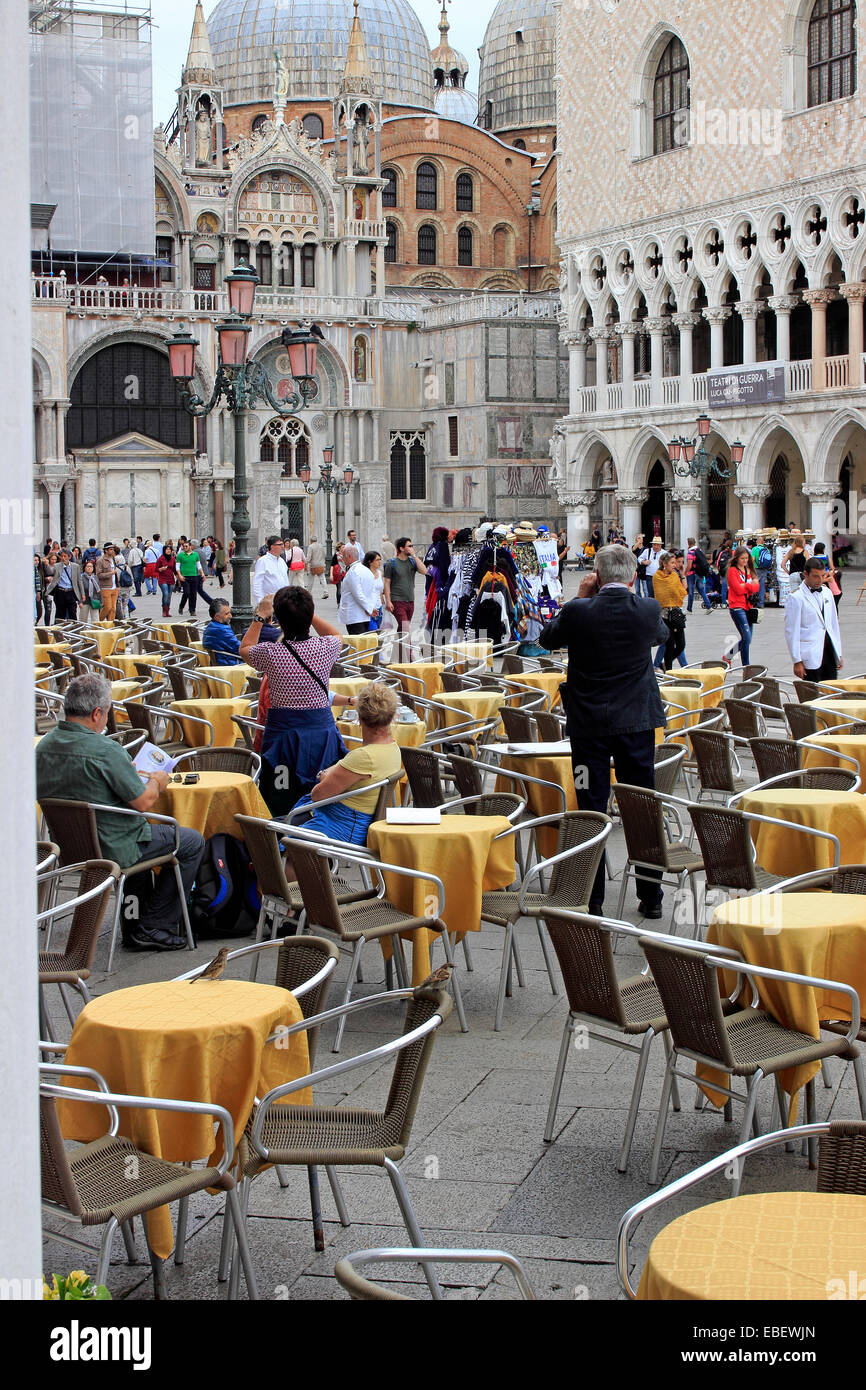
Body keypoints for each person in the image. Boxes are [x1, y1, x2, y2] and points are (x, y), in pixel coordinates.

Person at [540, 545, 668, 918]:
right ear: (632, 576)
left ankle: (592, 896)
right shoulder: (646, 608)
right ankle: (652, 896)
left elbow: (548, 638)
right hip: (637, 725)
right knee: (641, 805)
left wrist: (580, 598)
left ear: (595, 574)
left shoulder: (579, 611)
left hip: (589, 727)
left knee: (590, 806)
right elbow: (659, 635)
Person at [36, 675, 205, 951]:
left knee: (142, 838)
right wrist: (157, 781)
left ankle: (137, 924)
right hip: (113, 845)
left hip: (67, 848)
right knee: (190, 841)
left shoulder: (43, 747)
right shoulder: (105, 751)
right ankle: (155, 923)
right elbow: (143, 802)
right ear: (97, 713)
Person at [240, 587, 346, 816]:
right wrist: (307, 613)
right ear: (309, 616)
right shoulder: (326, 647)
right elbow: (336, 634)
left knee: (281, 795)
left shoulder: (271, 653)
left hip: (283, 737)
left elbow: (245, 648)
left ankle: (282, 840)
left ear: (278, 619)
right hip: (321, 735)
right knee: (322, 792)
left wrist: (261, 616)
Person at [290, 684, 402, 846]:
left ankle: (293, 868)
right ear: (392, 717)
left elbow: (317, 796)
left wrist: (324, 775)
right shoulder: (393, 748)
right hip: (361, 823)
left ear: (359, 718)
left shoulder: (363, 757)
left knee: (272, 839)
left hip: (343, 826)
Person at [785, 556, 843, 683]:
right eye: (816, 576)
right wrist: (797, 660)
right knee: (812, 695)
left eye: (822, 575)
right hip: (809, 654)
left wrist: (838, 651)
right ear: (806, 574)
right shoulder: (796, 597)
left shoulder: (827, 592)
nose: (820, 580)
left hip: (828, 651)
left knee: (831, 693)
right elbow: (791, 631)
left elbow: (833, 624)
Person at [382, 536, 429, 654]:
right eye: (409, 546)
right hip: (397, 600)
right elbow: (387, 583)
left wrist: (414, 555)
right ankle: (409, 655)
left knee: (402, 629)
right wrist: (388, 600)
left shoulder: (412, 562)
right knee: (406, 628)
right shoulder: (391, 563)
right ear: (401, 548)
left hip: (410, 601)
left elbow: (425, 571)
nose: (412, 548)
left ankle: (397, 654)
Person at [652, 550, 688, 670]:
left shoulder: (674, 576)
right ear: (665, 564)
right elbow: (660, 595)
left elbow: (683, 590)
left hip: (676, 613)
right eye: (672, 563)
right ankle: (669, 670)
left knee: (681, 645)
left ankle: (664, 665)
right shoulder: (657, 577)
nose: (674, 565)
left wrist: (682, 574)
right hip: (665, 615)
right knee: (669, 644)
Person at [726, 545, 760, 669]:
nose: (745, 561)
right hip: (736, 606)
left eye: (746, 558)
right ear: (736, 559)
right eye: (742, 558)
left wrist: (745, 585)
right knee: (746, 636)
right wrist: (749, 585)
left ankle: (729, 657)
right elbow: (737, 589)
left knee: (748, 639)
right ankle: (746, 665)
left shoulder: (749, 570)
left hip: (748, 606)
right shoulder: (732, 571)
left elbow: (757, 587)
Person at [339, 551, 382, 633]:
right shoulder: (366, 570)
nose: (342, 558)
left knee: (358, 641)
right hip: (364, 615)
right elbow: (371, 592)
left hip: (355, 616)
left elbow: (358, 594)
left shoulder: (353, 571)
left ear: (349, 556)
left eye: (343, 556)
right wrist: (370, 607)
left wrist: (369, 608)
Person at [46, 549, 84, 621]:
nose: (63, 558)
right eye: (62, 556)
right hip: (60, 591)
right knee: (60, 614)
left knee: (72, 612)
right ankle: (59, 629)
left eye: (65, 556)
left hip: (71, 591)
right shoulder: (57, 566)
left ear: (69, 557)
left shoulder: (75, 566)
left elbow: (79, 581)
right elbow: (50, 572)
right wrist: (46, 563)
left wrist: (82, 593)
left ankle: (73, 629)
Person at [203, 598, 244, 664]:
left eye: (230, 612)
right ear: (217, 616)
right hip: (231, 665)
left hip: (223, 662)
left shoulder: (211, 626)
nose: (230, 616)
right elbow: (241, 650)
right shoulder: (222, 630)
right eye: (226, 614)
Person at [252, 534, 288, 605]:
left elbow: (285, 579)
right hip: (270, 603)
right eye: (280, 544)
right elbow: (257, 583)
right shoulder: (263, 561)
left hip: (284, 601)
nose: (282, 546)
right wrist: (261, 601)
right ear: (272, 547)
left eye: (282, 544)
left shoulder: (282, 561)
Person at [684, 537, 712, 613]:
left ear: (688, 544)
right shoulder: (699, 550)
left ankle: (689, 609)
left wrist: (685, 572)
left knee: (691, 591)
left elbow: (689, 565)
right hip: (700, 573)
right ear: (695, 542)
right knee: (701, 590)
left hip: (692, 574)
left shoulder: (691, 552)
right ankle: (709, 606)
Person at [177, 539, 203, 616]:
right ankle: (181, 606)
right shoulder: (180, 555)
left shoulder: (195, 555)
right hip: (184, 576)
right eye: (183, 546)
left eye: (186, 546)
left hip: (194, 575)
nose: (184, 547)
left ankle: (192, 610)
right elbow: (177, 566)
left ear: (190, 546)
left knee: (193, 594)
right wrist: (179, 575)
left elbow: (198, 565)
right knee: (186, 592)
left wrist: (202, 573)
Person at [95, 544, 118, 621]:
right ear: (106, 550)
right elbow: (98, 575)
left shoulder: (113, 559)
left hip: (115, 586)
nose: (112, 551)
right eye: (111, 549)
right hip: (106, 587)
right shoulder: (100, 561)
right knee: (107, 607)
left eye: (113, 549)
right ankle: (99, 622)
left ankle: (110, 625)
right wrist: (110, 573)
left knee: (113, 609)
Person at [750, 535, 774, 608]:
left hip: (756, 569)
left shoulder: (755, 549)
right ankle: (761, 603)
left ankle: (754, 602)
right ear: (763, 542)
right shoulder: (766, 549)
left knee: (754, 585)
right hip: (764, 569)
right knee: (762, 586)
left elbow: (753, 559)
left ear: (757, 542)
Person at [637, 535, 664, 600]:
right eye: (654, 545)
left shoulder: (664, 553)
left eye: (658, 545)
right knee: (650, 593)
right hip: (650, 576)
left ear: (660, 545)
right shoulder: (647, 551)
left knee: (659, 593)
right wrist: (644, 562)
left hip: (660, 576)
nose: (656, 546)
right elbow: (639, 558)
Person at [155, 543, 177, 617]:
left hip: (171, 579)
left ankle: (167, 610)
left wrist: (178, 578)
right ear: (164, 550)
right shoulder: (160, 559)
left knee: (169, 595)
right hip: (162, 579)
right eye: (167, 549)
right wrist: (160, 569)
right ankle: (164, 610)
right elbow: (156, 569)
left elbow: (174, 570)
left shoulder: (173, 559)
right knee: (166, 594)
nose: (168, 551)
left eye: (169, 549)